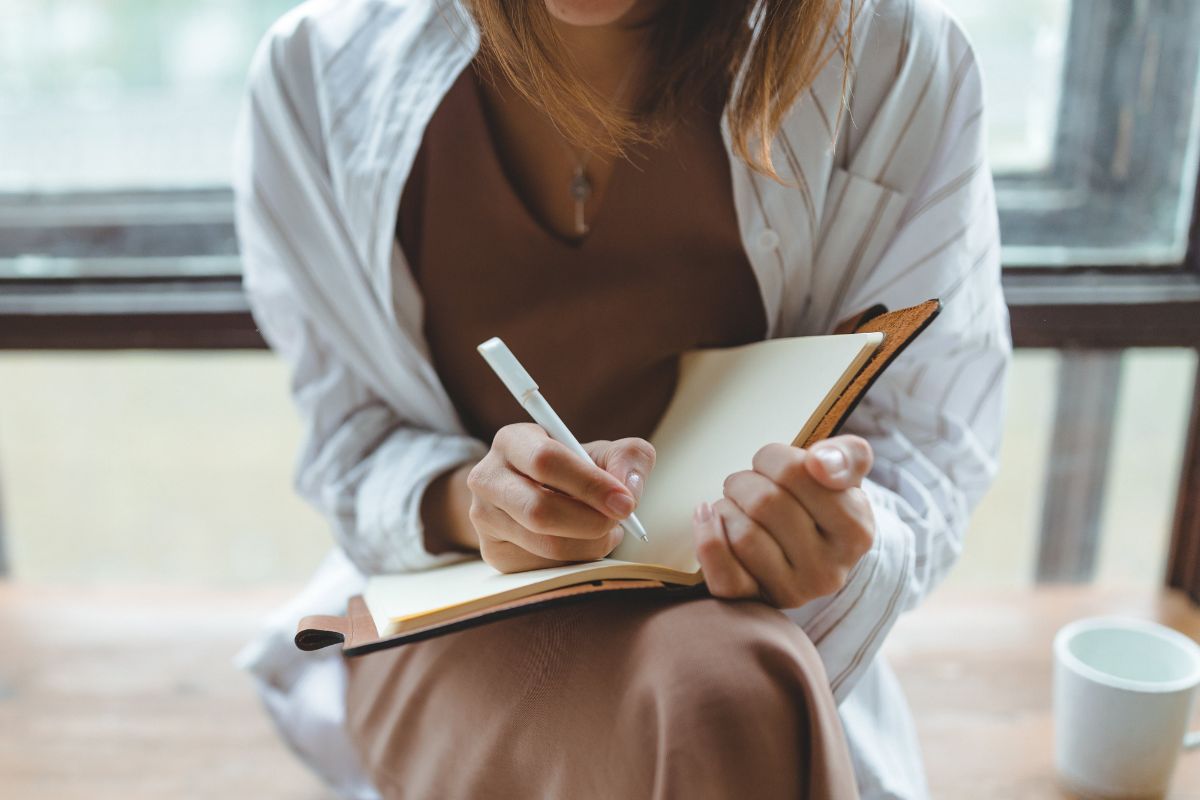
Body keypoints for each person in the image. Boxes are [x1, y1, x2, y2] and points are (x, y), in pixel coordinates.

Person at [232, 0, 1010, 797]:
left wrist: (839, 535)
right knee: (729, 697)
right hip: (451, 614)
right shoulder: (317, 75)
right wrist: (480, 509)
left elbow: (925, 444)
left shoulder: (890, 55)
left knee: (724, 685)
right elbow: (352, 440)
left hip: (756, 625)